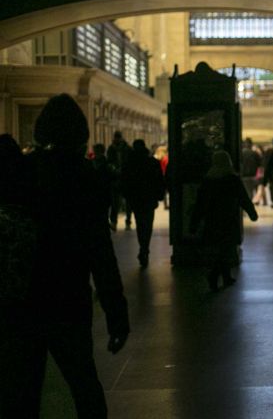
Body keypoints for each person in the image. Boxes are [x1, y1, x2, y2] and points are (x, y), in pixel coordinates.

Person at [0, 94, 129, 418]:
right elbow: (100, 251)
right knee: (84, 381)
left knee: (23, 388)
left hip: (23, 296)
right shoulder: (87, 177)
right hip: (68, 298)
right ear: (81, 133)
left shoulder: (22, 170)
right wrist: (116, 312)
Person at [191, 150, 259, 292]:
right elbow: (243, 198)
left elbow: (200, 204)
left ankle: (223, 276)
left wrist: (194, 222)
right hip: (229, 218)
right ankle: (217, 275)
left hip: (212, 219)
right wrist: (252, 213)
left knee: (219, 248)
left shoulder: (208, 179)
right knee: (226, 248)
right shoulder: (232, 178)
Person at [121, 139, 165, 268]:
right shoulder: (153, 162)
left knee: (140, 223)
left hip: (136, 199)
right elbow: (159, 180)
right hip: (149, 198)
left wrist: (126, 195)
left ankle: (143, 247)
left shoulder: (129, 163)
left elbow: (124, 181)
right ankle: (145, 247)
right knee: (148, 224)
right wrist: (160, 195)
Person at [107, 130, 133, 230]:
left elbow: (130, 162)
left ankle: (128, 220)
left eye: (118, 137)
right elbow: (109, 161)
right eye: (116, 137)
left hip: (125, 178)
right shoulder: (111, 149)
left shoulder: (127, 148)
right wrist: (114, 169)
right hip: (116, 178)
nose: (117, 139)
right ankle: (114, 221)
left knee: (127, 202)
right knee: (115, 202)